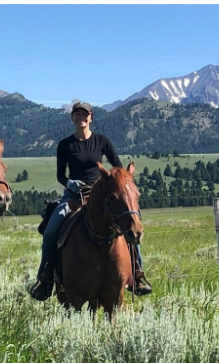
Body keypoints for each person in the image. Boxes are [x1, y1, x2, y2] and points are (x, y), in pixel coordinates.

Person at [29, 101, 152, 301]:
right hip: (73, 195)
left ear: (91, 117)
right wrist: (70, 183)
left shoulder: (102, 141)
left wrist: (109, 182)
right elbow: (61, 175)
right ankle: (45, 278)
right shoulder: (65, 145)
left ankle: (138, 274)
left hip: (102, 195)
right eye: (77, 115)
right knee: (52, 229)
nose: (81, 118)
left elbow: (118, 169)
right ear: (72, 118)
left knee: (129, 225)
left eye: (84, 115)